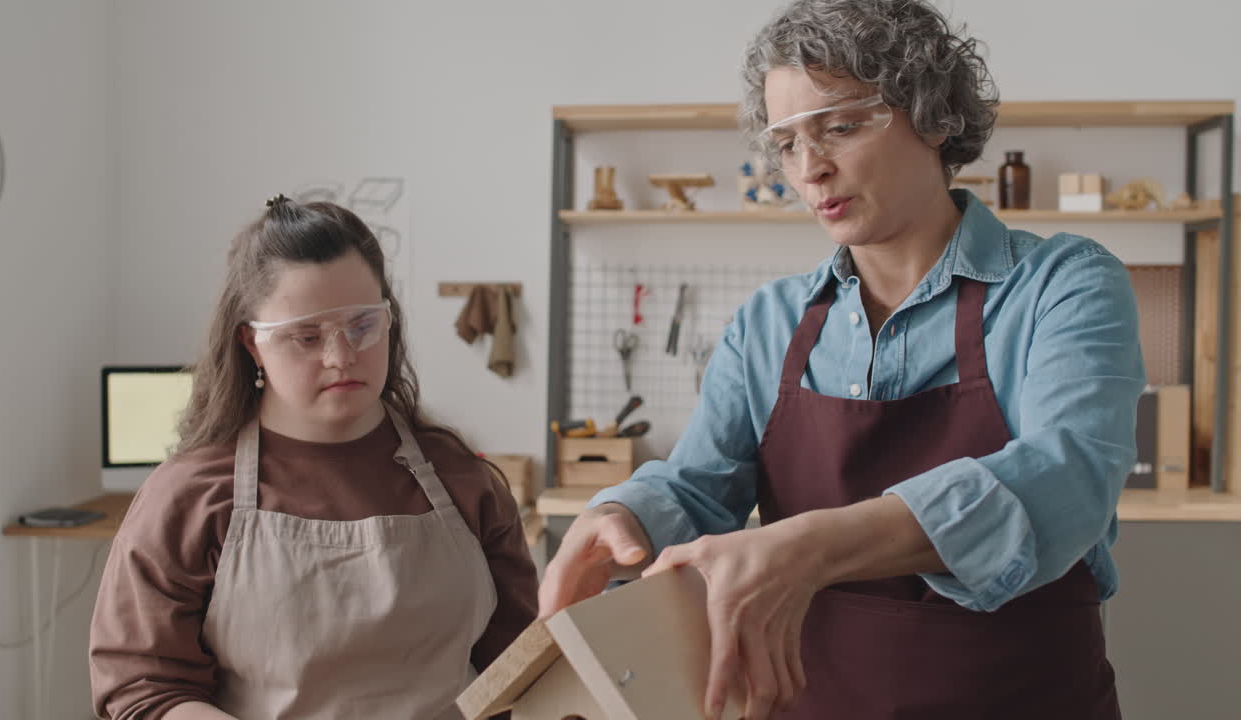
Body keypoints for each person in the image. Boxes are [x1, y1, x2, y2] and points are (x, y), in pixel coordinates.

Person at [539, 1, 1144, 718]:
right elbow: (698, 489)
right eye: (787, 142)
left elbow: (1067, 477)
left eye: (842, 126)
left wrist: (809, 546)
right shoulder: (769, 322)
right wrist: (624, 514)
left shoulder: (1062, 284)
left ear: (936, 117)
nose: (810, 169)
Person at [89, 196, 538, 719]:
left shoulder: (465, 480)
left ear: (390, 320)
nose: (341, 355)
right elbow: (145, 688)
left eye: (363, 325)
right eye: (306, 336)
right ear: (251, 345)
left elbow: (518, 672)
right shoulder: (188, 497)